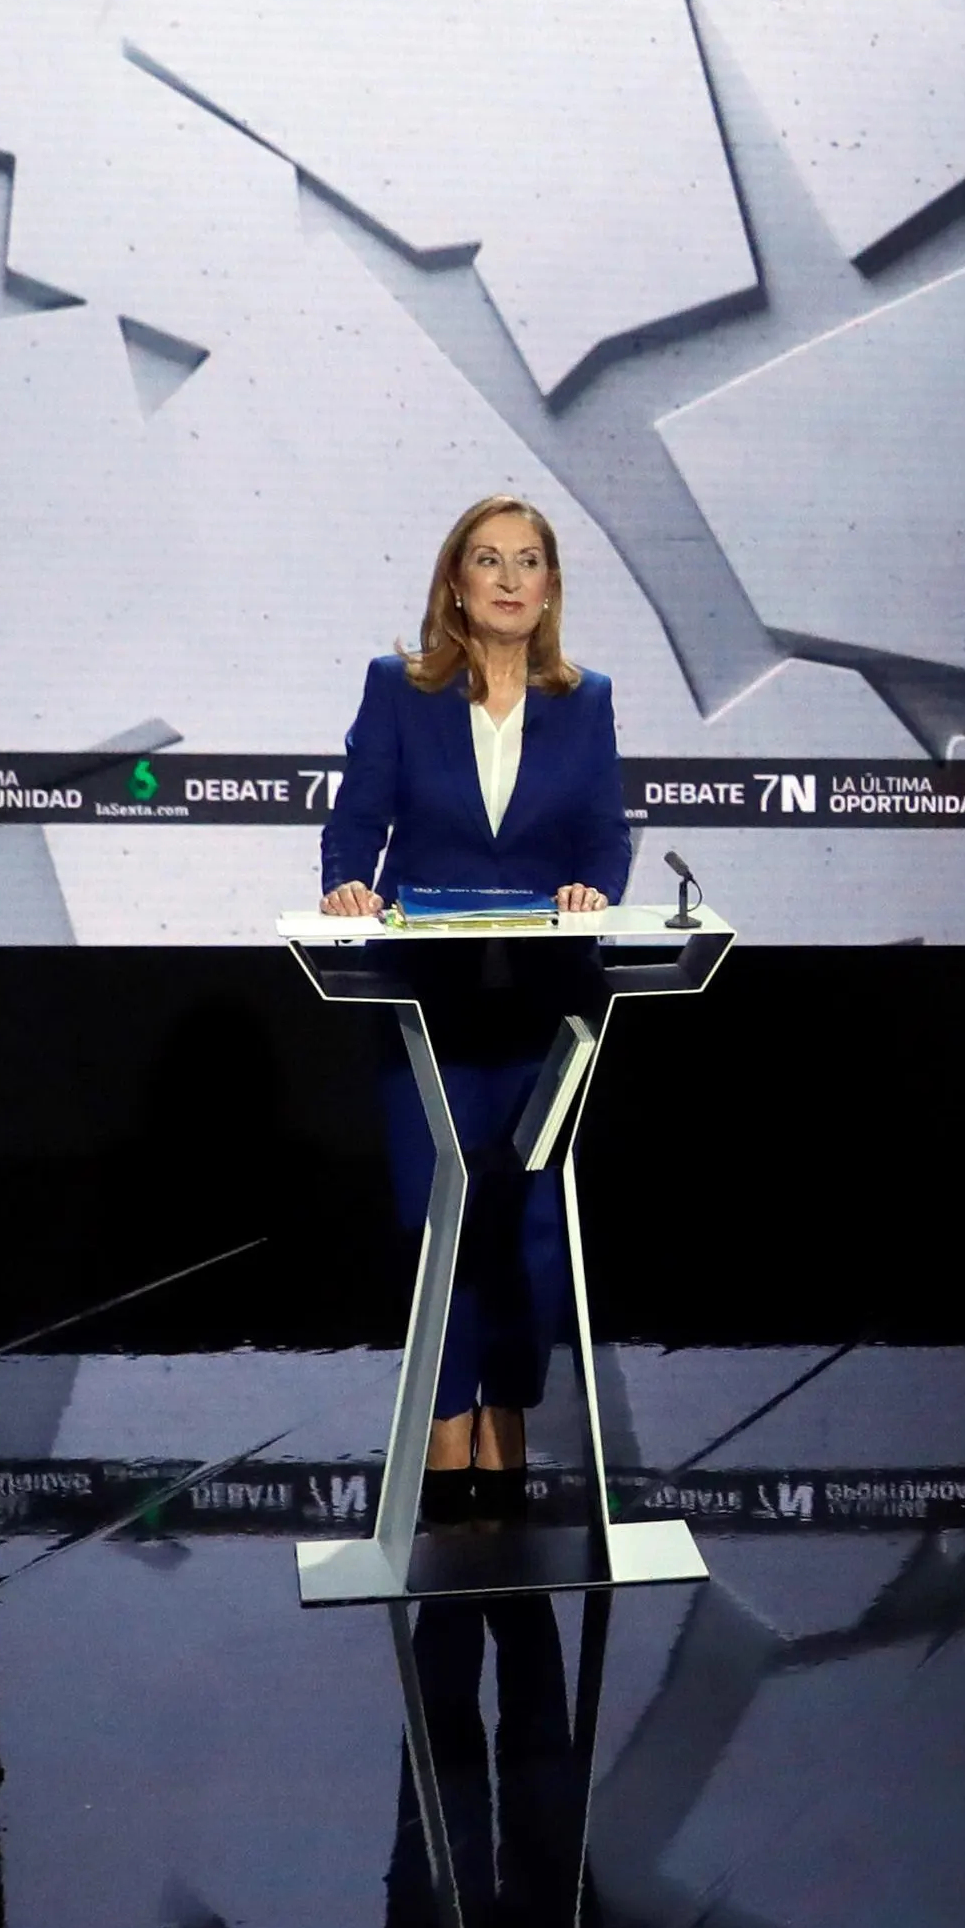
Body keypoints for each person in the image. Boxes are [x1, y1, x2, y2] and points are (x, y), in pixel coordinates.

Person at [319, 497, 629, 1527]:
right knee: (439, 1220)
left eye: (527, 561)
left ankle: (509, 1420)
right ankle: (447, 1429)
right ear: (455, 582)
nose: (507, 578)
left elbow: (602, 836)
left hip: (546, 1006)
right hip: (434, 1002)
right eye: (486, 560)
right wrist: (347, 887)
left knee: (531, 1229)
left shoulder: (586, 701)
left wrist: (592, 887)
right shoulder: (399, 690)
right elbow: (357, 817)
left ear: (548, 587)